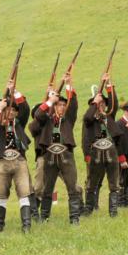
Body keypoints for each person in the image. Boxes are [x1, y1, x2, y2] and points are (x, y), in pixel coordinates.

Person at [32, 74, 83, 224]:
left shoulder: (68, 119)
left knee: (72, 187)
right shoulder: (46, 119)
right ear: (54, 107)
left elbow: (74, 105)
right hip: (49, 156)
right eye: (58, 104)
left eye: (63, 105)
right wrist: (49, 100)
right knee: (47, 189)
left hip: (66, 156)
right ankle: (44, 217)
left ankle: (74, 218)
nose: (61, 107)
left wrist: (68, 84)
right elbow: (38, 114)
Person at [0, 81, 32, 232]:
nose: (11, 112)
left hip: (19, 162)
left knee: (24, 193)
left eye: (13, 110)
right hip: (3, 162)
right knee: (1, 194)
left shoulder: (19, 123)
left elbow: (26, 109)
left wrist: (15, 91)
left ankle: (26, 226)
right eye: (8, 109)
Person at [82, 74, 122, 217]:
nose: (101, 105)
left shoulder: (109, 115)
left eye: (103, 103)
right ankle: (88, 209)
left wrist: (109, 86)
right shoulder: (89, 120)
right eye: (98, 104)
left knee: (114, 183)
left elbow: (114, 104)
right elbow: (85, 136)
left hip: (111, 152)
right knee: (92, 183)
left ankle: (113, 211)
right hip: (95, 153)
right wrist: (95, 103)